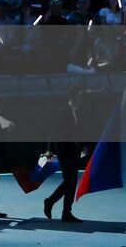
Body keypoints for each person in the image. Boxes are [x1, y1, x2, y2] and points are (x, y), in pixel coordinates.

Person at [45, 85, 87, 223]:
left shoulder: (79, 112)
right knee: (69, 181)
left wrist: (83, 146)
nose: (81, 99)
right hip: (64, 152)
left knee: (71, 182)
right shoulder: (63, 111)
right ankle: (50, 202)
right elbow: (53, 131)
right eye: (79, 97)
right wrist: (50, 150)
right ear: (72, 97)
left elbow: (79, 131)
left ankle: (66, 213)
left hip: (75, 152)